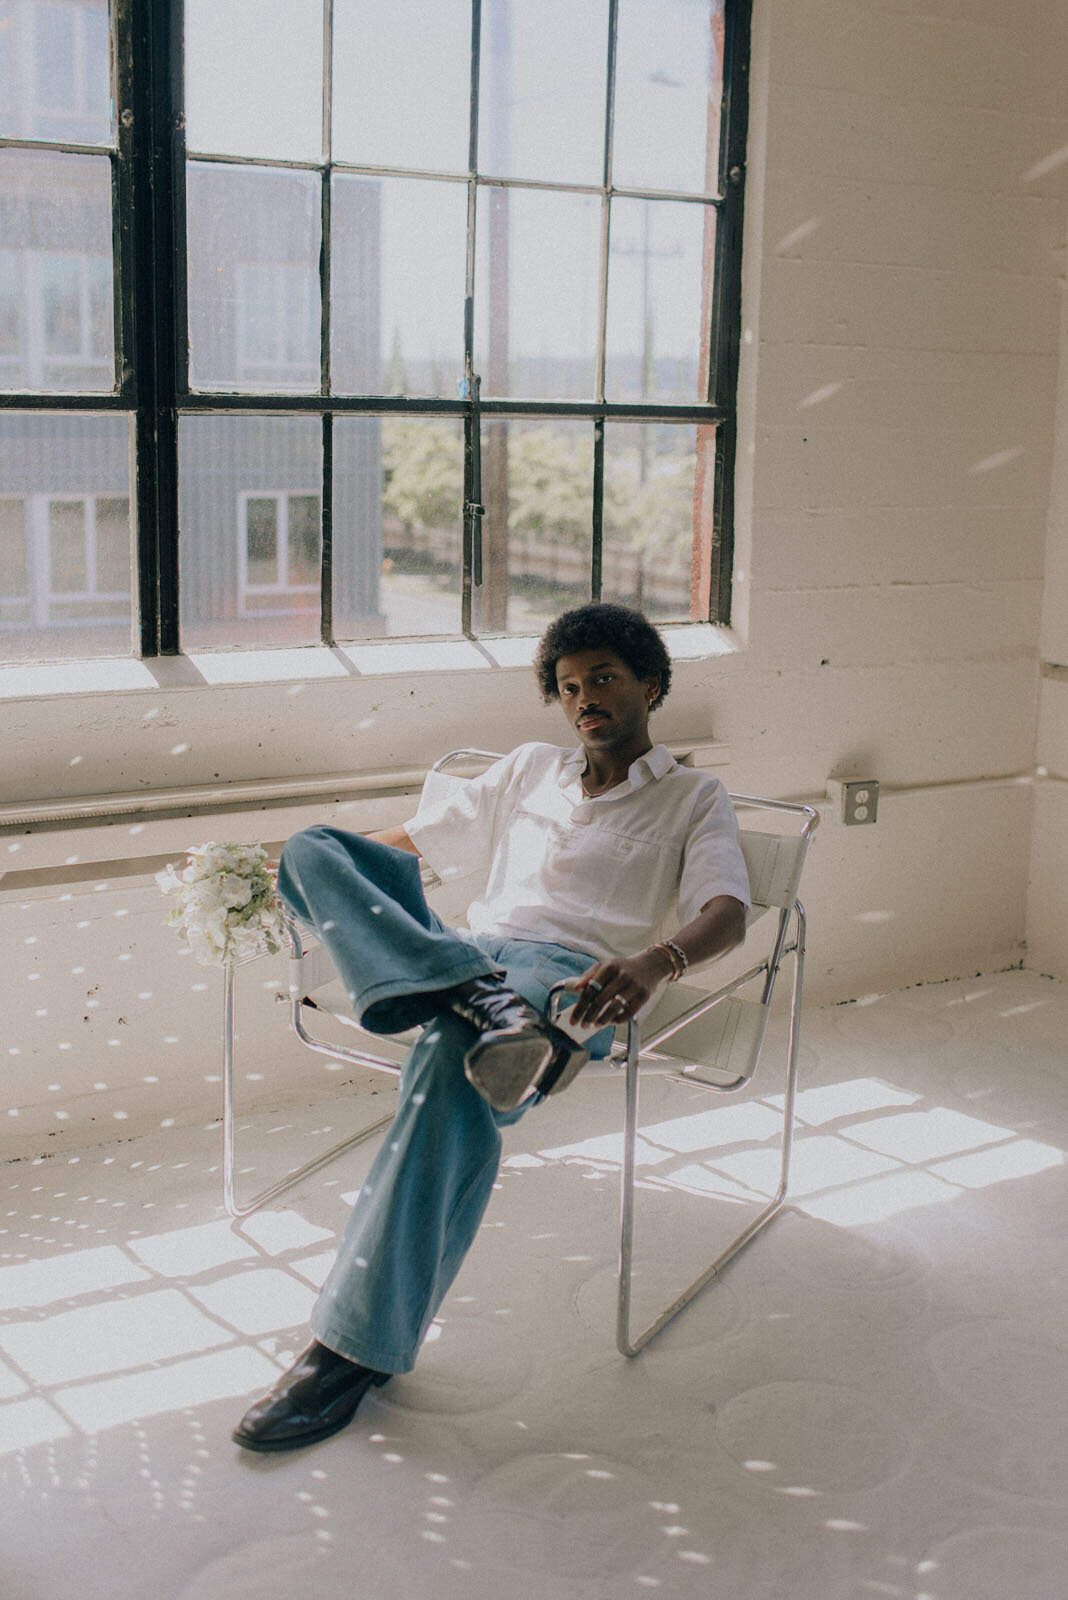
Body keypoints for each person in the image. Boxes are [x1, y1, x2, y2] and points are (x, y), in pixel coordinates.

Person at [232, 602, 750, 1452]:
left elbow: (727, 913)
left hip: (567, 975)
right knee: (310, 849)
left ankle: (346, 1350)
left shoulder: (694, 797)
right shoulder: (528, 768)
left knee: (449, 1065)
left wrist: (657, 964)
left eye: (604, 680)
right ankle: (482, 1003)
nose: (585, 698)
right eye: (571, 686)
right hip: (463, 947)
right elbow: (403, 849)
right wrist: (295, 875)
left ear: (651, 685)